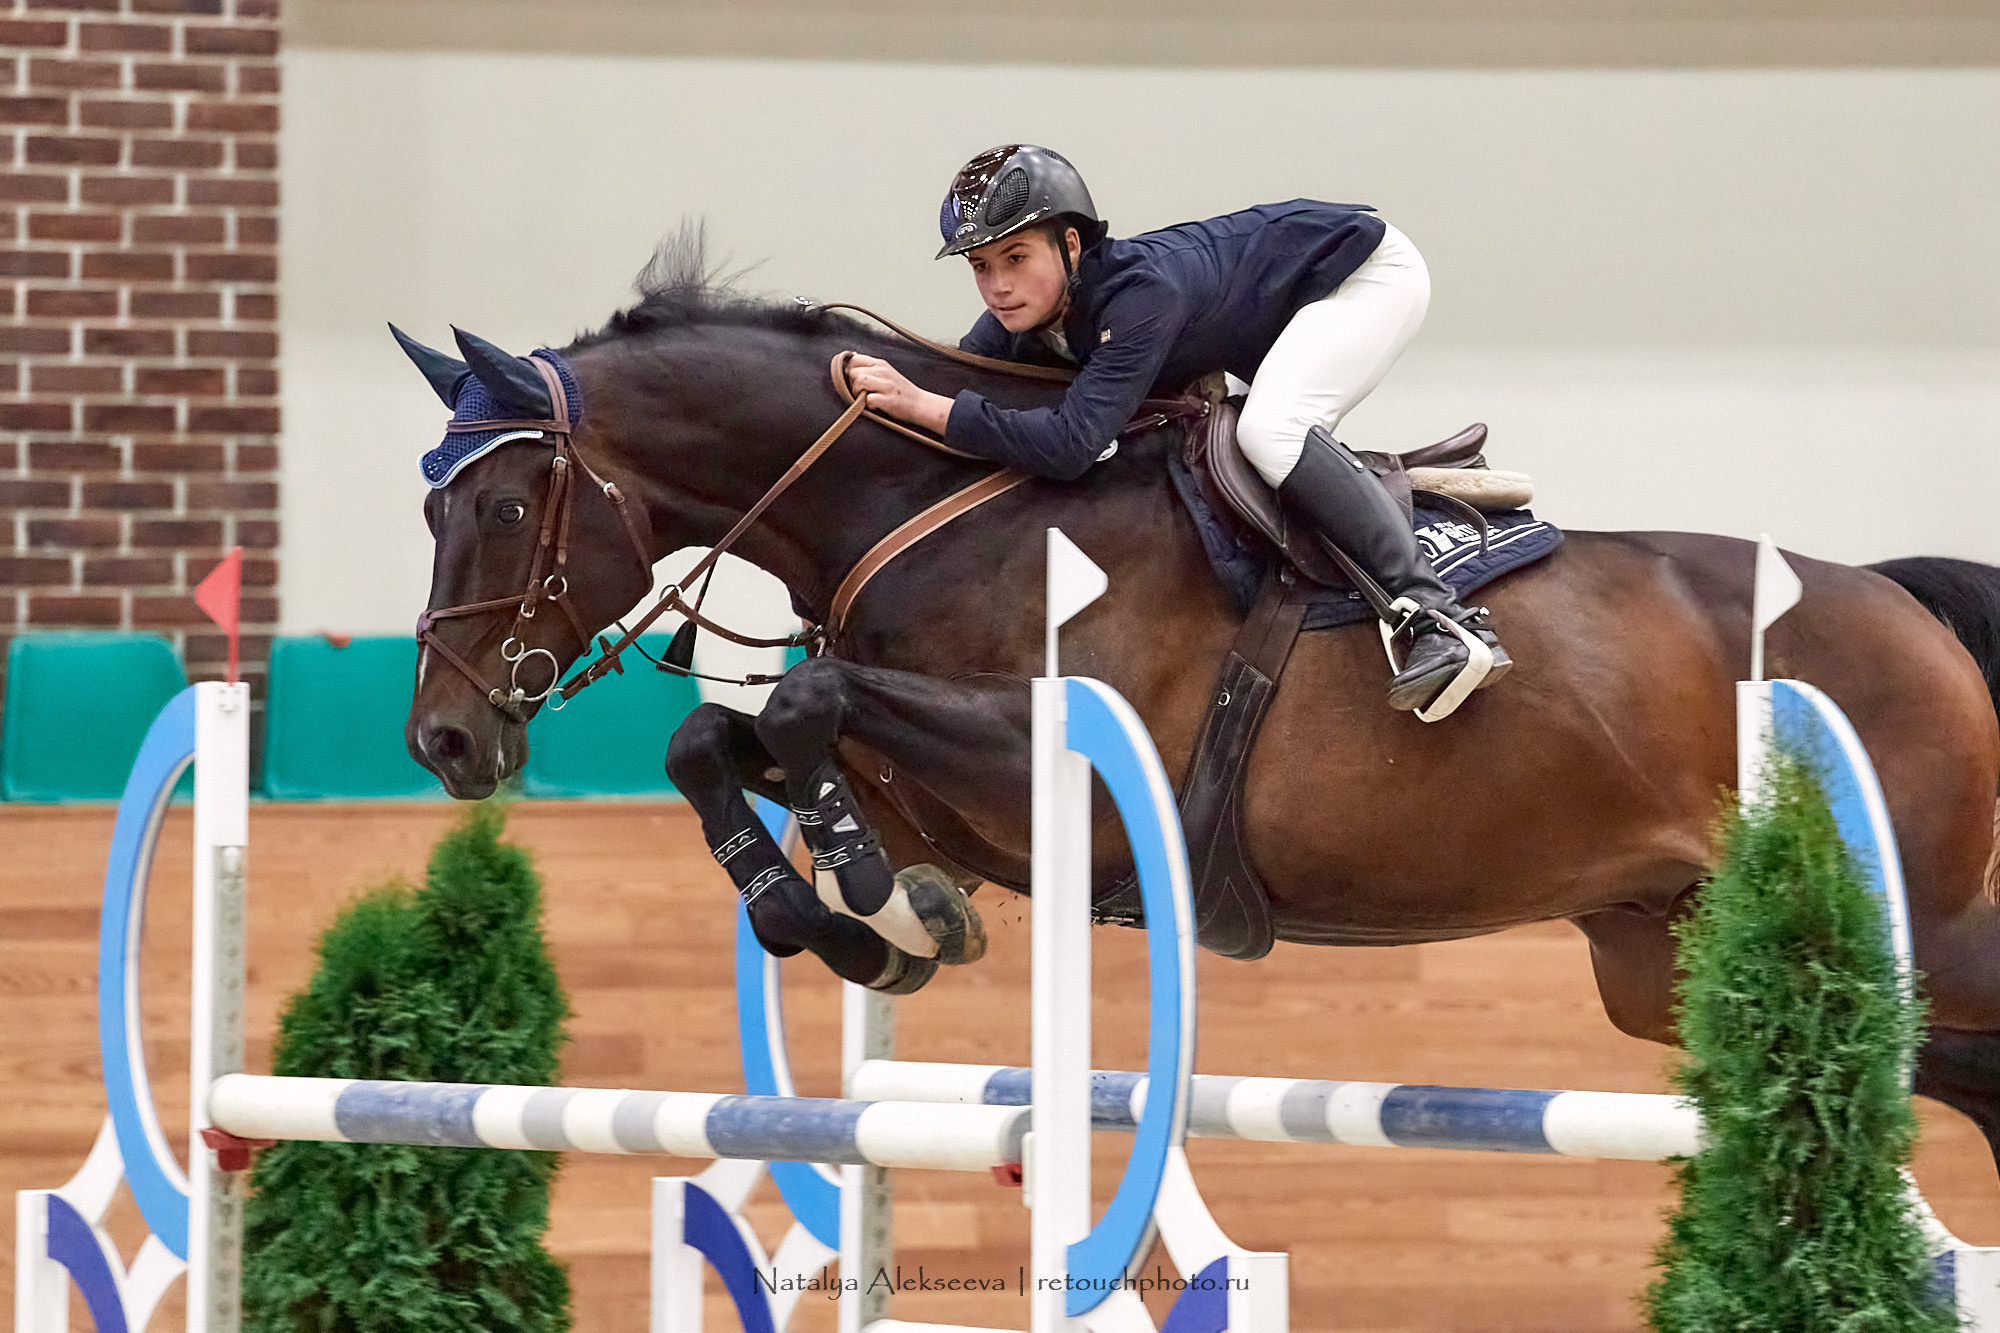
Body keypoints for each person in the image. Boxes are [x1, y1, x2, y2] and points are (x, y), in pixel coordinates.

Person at [843, 143, 1510, 712]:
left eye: (1015, 258)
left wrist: (922, 405)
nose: (997, 286)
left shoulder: (1140, 297)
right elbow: (958, 397)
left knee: (1271, 432)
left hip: (1363, 276)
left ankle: (1440, 615)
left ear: (1070, 244)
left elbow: (1072, 445)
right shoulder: (1016, 324)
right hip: (1275, 310)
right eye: (981, 266)